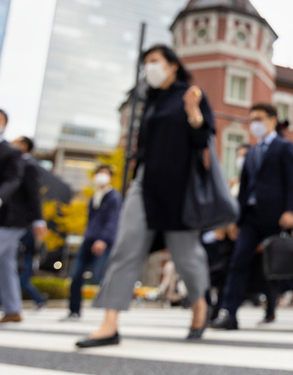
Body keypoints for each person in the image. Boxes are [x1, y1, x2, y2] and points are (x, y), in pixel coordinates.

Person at [76, 44, 215, 348]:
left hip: (180, 187)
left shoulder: (190, 94)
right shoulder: (150, 102)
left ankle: (200, 306)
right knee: (125, 248)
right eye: (146, 63)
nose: (150, 67)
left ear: (172, 65)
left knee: (186, 256)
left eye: (155, 61)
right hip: (145, 184)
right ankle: (109, 324)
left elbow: (202, 139)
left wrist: (193, 113)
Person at [211, 103, 293, 330]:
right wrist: (237, 220)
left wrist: (290, 210)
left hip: (277, 215)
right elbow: (245, 187)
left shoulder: (284, 146)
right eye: (252, 120)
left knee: (287, 260)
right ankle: (229, 313)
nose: (255, 124)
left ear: (272, 120)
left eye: (259, 118)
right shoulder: (250, 153)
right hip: (250, 217)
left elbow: (292, 179)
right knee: (238, 262)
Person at [63, 165, 122, 321]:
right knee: (76, 275)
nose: (101, 177)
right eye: (99, 174)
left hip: (103, 242)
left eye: (105, 174)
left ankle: (112, 310)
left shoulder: (114, 197)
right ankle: (74, 311)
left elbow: (113, 221)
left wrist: (103, 239)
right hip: (88, 240)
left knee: (99, 276)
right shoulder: (94, 197)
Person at [0, 109, 31, 324]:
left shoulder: (11, 152)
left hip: (10, 218)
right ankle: (13, 310)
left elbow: (15, 181)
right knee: (6, 263)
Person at [11, 136, 47, 311]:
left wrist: (39, 220)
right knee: (7, 265)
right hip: (10, 221)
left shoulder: (29, 166)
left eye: (16, 141)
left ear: (24, 146)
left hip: (19, 223)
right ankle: (12, 308)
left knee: (13, 266)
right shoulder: (13, 162)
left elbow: (34, 195)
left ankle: (20, 306)